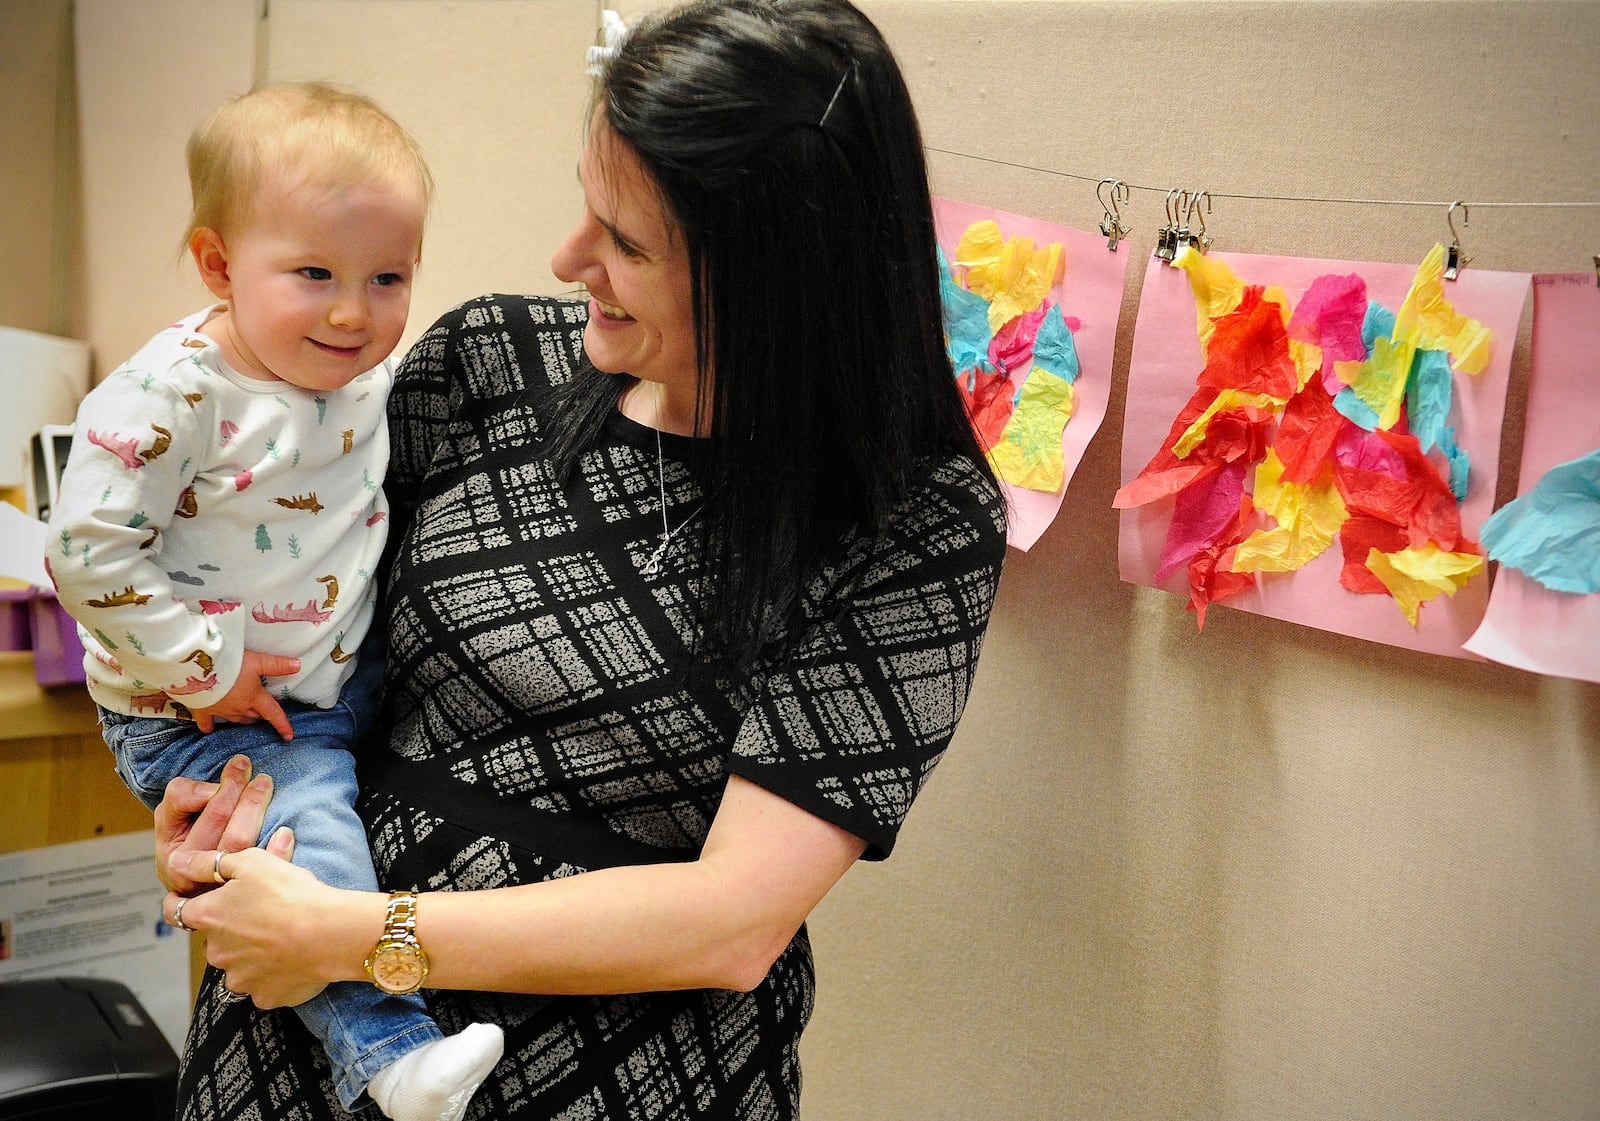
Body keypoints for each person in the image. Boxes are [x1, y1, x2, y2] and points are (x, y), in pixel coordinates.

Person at [150, 2, 1009, 1117]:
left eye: (629, 244)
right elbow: (299, 621)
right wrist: (218, 807)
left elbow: (733, 921)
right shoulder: (488, 361)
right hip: (291, 1049)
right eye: (586, 208)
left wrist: (356, 937)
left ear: (779, 280)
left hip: (611, 1078)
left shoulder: (911, 517)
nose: (569, 261)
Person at [46, 82, 504, 1121]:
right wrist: (204, 663)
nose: (355, 310)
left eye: (388, 276)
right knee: (314, 861)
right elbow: (84, 549)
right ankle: (391, 1056)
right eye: (314, 274)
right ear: (217, 265)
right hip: (203, 707)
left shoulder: (347, 369)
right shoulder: (175, 394)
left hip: (333, 673)